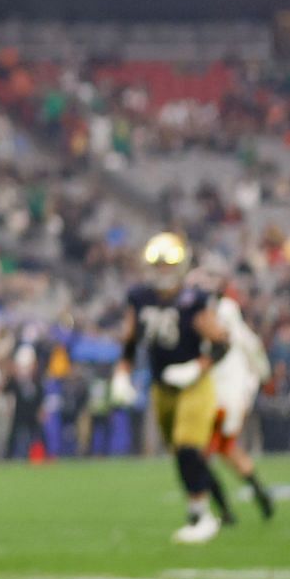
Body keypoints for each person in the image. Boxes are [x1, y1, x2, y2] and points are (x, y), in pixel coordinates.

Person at [112, 233, 232, 545]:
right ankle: (213, 509)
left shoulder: (194, 300)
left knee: (188, 445)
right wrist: (122, 374)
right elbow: (129, 339)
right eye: (158, 264)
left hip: (194, 384)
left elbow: (221, 341)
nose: (163, 271)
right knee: (182, 453)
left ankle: (202, 516)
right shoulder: (139, 297)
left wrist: (197, 367)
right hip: (161, 387)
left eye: (169, 264)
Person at [204, 282, 276, 525]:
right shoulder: (237, 326)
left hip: (218, 398)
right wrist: (264, 377)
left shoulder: (213, 320)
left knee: (197, 454)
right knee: (226, 449)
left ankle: (224, 511)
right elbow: (253, 348)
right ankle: (260, 493)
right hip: (233, 397)